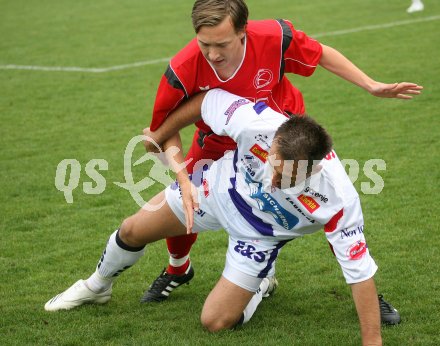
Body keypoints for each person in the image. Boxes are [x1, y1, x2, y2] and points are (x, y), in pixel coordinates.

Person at [143, 0, 421, 323]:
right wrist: (174, 166)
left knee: (330, 206)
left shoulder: (274, 38)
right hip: (217, 138)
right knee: (183, 199)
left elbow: (320, 53)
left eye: (222, 44)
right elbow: (165, 125)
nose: (213, 54)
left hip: (279, 132)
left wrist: (371, 85)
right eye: (205, 44)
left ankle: (369, 293)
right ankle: (179, 267)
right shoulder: (182, 66)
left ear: (242, 32)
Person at [45, 89, 382, 344]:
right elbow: (206, 100)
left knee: (215, 322)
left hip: (258, 236)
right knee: (132, 229)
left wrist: (373, 342)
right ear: (274, 140)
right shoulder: (256, 122)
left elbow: (359, 273)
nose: (273, 180)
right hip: (213, 192)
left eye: (287, 179)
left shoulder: (338, 199)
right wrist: (161, 135)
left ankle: (260, 284)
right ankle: (96, 287)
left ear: (316, 167)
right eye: (273, 166)